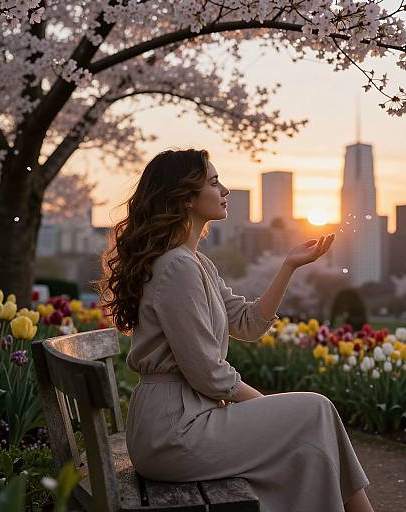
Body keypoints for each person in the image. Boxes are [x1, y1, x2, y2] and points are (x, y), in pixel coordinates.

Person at [96, 149, 374, 512]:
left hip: (184, 420)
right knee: (314, 411)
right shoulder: (176, 267)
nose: (225, 189)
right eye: (213, 182)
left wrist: (288, 266)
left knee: (314, 425)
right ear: (186, 198)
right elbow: (208, 373)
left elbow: (248, 323)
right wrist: (272, 409)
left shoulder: (196, 263)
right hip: (173, 432)